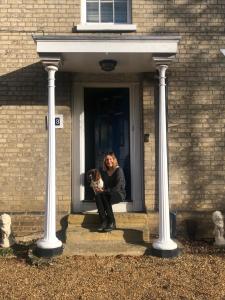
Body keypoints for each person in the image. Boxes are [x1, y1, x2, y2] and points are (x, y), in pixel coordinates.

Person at [94, 152, 126, 232]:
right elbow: (103, 185)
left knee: (105, 196)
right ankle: (103, 221)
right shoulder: (104, 172)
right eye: (107, 160)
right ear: (105, 162)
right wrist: (99, 189)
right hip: (107, 193)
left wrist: (105, 191)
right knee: (98, 196)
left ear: (114, 160)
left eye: (110, 159)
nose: (109, 161)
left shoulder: (119, 170)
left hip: (119, 194)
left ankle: (112, 222)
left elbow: (118, 187)